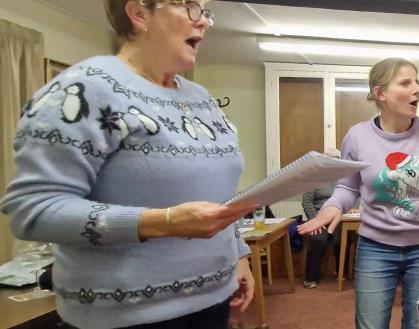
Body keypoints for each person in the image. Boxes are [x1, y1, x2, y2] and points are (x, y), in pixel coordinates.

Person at [1, 1, 257, 328]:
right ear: (139, 14)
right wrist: (164, 222)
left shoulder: (202, 100)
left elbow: (218, 196)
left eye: (206, 11)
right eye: (191, 7)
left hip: (213, 301)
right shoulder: (86, 87)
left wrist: (237, 253)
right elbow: (32, 211)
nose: (204, 22)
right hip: (123, 317)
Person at [297, 57, 419, 329]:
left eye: (417, 81)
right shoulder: (357, 136)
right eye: (405, 83)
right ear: (380, 93)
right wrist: (333, 207)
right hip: (375, 248)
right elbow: (348, 187)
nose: (416, 89)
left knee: (418, 325)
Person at [301, 149, 343, 289]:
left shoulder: (343, 177)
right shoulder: (314, 178)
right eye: (330, 159)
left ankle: (341, 272)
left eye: (337, 158)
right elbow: (306, 202)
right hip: (318, 218)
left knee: (340, 239)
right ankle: (310, 278)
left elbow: (352, 195)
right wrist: (316, 221)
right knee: (319, 240)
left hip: (337, 218)